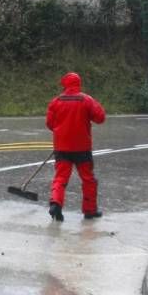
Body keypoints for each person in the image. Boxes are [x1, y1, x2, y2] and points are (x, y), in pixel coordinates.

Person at [46, 72, 106, 222]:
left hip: (62, 148)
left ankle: (55, 203)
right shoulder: (86, 100)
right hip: (82, 148)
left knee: (60, 178)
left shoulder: (56, 101)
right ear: (79, 83)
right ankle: (89, 210)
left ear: (64, 84)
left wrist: (61, 132)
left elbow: (50, 123)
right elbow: (100, 117)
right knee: (88, 179)